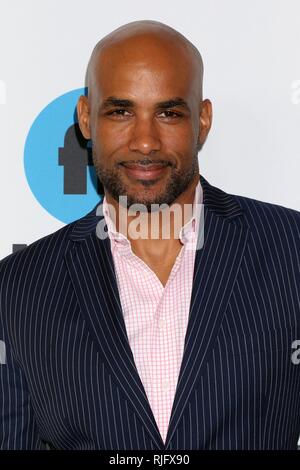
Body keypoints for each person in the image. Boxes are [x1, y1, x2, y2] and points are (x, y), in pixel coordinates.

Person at [0, 20, 299, 451]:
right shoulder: (17, 289)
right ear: (86, 118)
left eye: (169, 112)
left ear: (203, 120)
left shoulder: (291, 250)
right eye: (121, 111)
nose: (145, 141)